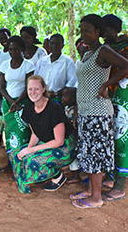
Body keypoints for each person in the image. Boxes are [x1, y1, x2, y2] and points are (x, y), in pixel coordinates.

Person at [70, 14, 128, 209]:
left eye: (87, 30)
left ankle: (96, 197)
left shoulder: (103, 51)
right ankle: (90, 191)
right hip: (86, 111)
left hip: (98, 112)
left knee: (95, 156)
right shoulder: (87, 54)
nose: (83, 34)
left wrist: (107, 85)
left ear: (97, 32)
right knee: (88, 153)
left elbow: (126, 66)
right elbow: (83, 84)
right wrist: (78, 109)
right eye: (81, 30)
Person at [9, 75, 76, 193]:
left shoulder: (54, 108)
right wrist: (29, 149)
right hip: (46, 142)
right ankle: (27, 183)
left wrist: (31, 151)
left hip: (65, 146)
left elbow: (59, 141)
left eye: (37, 89)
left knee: (33, 160)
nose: (33, 92)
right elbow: (35, 133)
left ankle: (57, 176)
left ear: (44, 89)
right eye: (30, 89)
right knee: (15, 154)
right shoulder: (29, 107)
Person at [101, 14, 128, 201]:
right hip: (110, 96)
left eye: (105, 30)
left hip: (124, 97)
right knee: (110, 136)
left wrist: (109, 83)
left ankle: (120, 185)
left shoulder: (125, 47)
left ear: (115, 30)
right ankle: (111, 177)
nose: (102, 34)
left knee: (122, 138)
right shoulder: (107, 49)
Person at [0, 35, 34, 171]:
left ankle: (23, 163)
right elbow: (1, 87)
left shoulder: (28, 65)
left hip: (23, 103)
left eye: (16, 49)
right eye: (11, 49)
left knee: (23, 132)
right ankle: (10, 163)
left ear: (22, 50)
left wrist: (18, 102)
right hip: (8, 104)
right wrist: (11, 102)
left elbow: (28, 87)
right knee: (9, 133)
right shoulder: (4, 65)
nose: (13, 52)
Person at [35, 34, 77, 101]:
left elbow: (71, 83)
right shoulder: (42, 61)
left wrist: (55, 94)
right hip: (40, 98)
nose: (54, 46)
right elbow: (35, 79)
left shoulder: (68, 62)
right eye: (52, 43)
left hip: (58, 99)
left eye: (57, 44)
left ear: (62, 46)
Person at [61, 87, 80, 184]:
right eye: (62, 96)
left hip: (74, 137)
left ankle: (76, 176)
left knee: (74, 156)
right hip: (69, 137)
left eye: (65, 97)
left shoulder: (73, 111)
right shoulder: (66, 108)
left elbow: (73, 125)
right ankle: (73, 172)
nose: (62, 99)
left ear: (73, 99)